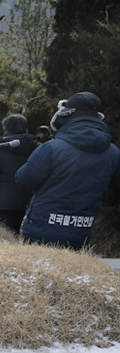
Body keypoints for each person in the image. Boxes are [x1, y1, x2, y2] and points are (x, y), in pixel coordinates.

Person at [16, 92, 120, 249]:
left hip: (42, 232)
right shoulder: (113, 152)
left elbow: (23, 179)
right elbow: (113, 183)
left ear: (68, 114)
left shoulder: (52, 148)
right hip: (81, 233)